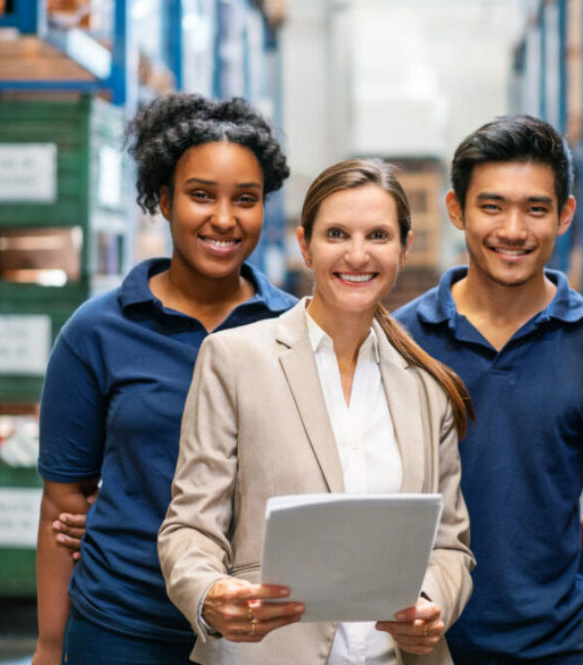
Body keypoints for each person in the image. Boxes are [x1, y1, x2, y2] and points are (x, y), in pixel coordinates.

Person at [156, 158, 475, 665]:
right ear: (305, 245)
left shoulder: (426, 387)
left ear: (403, 248)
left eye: (377, 235)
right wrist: (210, 595)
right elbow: (190, 527)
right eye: (336, 234)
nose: (356, 254)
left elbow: (450, 546)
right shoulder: (234, 359)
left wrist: (432, 603)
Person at [33, 93, 297, 665]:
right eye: (201, 196)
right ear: (163, 200)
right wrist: (50, 648)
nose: (224, 219)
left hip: (260, 629)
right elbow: (62, 504)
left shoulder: (294, 330)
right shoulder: (98, 332)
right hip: (123, 624)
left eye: (245, 200)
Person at [394, 115, 583, 665]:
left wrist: (553, 568)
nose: (513, 230)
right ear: (456, 209)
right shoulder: (401, 341)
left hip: (553, 650)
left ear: (565, 215)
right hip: (418, 646)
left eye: (535, 208)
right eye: (492, 206)